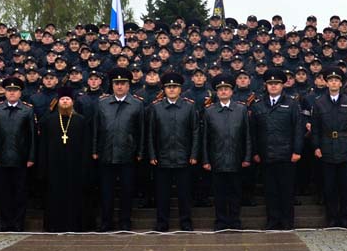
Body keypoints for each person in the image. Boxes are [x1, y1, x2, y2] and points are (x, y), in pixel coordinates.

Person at [250, 68, 305, 230]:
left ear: (283, 85)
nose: (273, 86)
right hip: (266, 154)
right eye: (270, 84)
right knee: (270, 191)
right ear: (265, 85)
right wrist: (255, 152)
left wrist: (297, 151)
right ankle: (273, 221)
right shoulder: (258, 105)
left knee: (287, 191)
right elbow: (253, 132)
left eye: (277, 83)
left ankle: (287, 221)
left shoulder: (292, 103)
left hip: (287, 155)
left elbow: (298, 129)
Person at [146, 71, 200, 232]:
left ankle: (186, 222)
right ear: (164, 89)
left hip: (184, 157)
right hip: (162, 157)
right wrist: (152, 154)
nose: (171, 89)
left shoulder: (189, 106)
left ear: (180, 89)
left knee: (185, 194)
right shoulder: (156, 107)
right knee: (162, 194)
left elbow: (195, 131)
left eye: (174, 87)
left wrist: (194, 154)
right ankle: (162, 222)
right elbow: (151, 133)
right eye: (168, 87)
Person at [92, 68, 144, 231]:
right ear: (112, 85)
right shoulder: (102, 104)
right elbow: (96, 128)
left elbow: (141, 130)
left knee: (127, 191)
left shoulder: (137, 104)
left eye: (123, 84)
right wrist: (94, 149)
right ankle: (106, 221)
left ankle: (125, 221)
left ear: (129, 85)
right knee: (106, 191)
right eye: (117, 84)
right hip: (106, 153)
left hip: (128, 154)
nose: (120, 86)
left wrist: (140, 151)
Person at [311, 68, 347, 228]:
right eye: (330, 80)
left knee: (345, 187)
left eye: (336, 80)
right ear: (326, 82)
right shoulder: (319, 102)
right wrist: (316, 146)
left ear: (341, 83)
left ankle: (345, 218)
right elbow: (316, 128)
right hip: (326, 147)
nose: (333, 82)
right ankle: (332, 218)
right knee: (329, 187)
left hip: (345, 146)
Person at [201, 74, 252, 230]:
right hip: (217, 159)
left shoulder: (241, 109)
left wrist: (247, 156)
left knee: (235, 193)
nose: (223, 92)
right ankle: (221, 221)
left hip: (236, 159)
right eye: (220, 89)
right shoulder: (209, 111)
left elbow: (247, 135)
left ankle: (235, 221)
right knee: (219, 194)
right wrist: (206, 160)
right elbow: (205, 138)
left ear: (232, 91)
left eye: (226, 89)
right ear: (216, 92)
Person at [39, 87, 93, 232]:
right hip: (54, 167)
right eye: (62, 99)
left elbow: (86, 145)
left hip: (75, 167)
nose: (64, 102)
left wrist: (85, 167)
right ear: (58, 103)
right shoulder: (49, 121)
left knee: (76, 197)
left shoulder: (81, 121)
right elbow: (43, 146)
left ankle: (75, 225)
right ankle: (55, 226)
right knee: (54, 197)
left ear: (72, 103)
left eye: (67, 99)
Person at [0, 77, 37, 231]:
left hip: (21, 158)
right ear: (5, 92)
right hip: (1, 158)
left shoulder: (27, 110)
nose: (11, 93)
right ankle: (5, 223)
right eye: (9, 90)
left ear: (20, 92)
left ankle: (18, 223)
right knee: (4, 193)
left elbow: (32, 136)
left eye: (15, 90)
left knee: (20, 193)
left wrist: (31, 157)